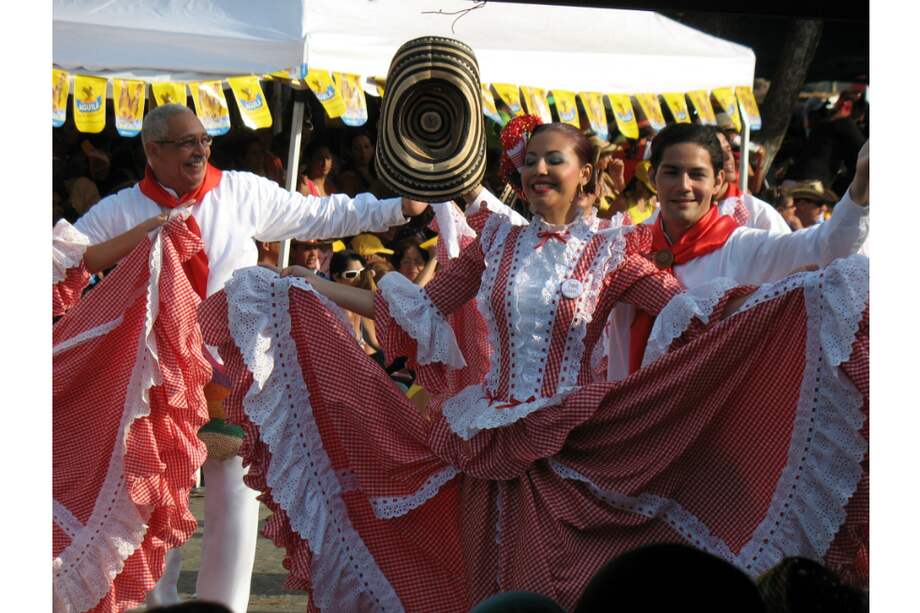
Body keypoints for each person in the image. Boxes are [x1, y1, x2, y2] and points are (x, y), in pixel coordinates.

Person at [199, 121, 868, 611]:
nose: (538, 170)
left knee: (562, 581)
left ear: (586, 174)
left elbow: (690, 316)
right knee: (484, 579)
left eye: (555, 159)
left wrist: (795, 305)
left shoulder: (612, 252)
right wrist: (307, 287)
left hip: (569, 443)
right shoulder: (495, 241)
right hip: (484, 440)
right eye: (529, 161)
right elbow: (415, 311)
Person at [51, 103, 428, 613]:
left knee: (236, 492)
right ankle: (162, 607)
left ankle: (224, 607)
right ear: (153, 150)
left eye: (204, 140)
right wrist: (138, 238)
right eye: (187, 142)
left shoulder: (238, 191)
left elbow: (319, 214)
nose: (200, 150)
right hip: (157, 378)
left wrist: (396, 208)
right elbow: (63, 258)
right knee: (157, 494)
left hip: (233, 367)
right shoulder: (122, 210)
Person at [606, 123, 868, 382]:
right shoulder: (622, 247)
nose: (684, 185)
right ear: (653, 177)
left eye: (697, 174)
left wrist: (859, 190)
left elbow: (826, 247)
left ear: (718, 181)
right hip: (624, 403)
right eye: (672, 172)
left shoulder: (744, 247)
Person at [329, 249, 381, 357]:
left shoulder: (363, 307)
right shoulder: (330, 311)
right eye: (351, 274)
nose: (359, 278)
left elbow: (373, 348)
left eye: (362, 273)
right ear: (336, 277)